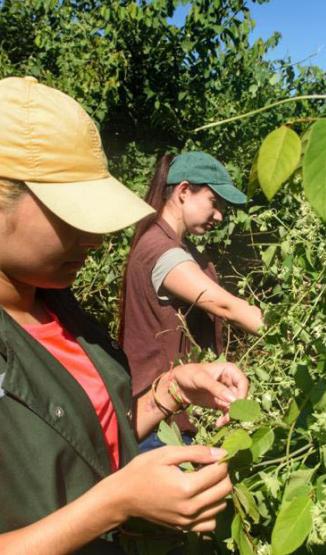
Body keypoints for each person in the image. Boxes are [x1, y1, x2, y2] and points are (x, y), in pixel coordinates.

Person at [0, 77, 248, 555]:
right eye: (70, 217)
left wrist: (172, 391)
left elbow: (78, 441)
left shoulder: (53, 306)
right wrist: (114, 503)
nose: (94, 238)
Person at [119, 152, 263, 451]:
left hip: (175, 419)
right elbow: (225, 306)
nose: (220, 216)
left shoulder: (172, 246)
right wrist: (287, 329)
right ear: (184, 191)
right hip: (160, 427)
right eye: (214, 202)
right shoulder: (160, 250)